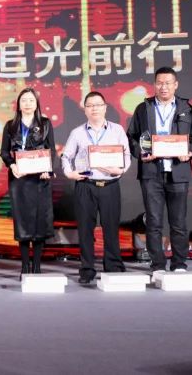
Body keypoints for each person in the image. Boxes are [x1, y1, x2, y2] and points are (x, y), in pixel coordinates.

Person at [127, 66, 192, 272]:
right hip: (151, 173)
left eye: (168, 83)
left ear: (176, 85)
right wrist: (141, 152)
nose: (163, 86)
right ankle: (157, 264)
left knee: (178, 222)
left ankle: (179, 264)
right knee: (153, 222)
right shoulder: (143, 108)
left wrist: (190, 152)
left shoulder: (187, 109)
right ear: (154, 85)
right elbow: (132, 137)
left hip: (178, 171)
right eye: (159, 83)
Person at [61, 92, 131, 284]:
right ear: (85, 109)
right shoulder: (77, 133)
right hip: (86, 185)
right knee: (85, 230)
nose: (94, 108)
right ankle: (87, 269)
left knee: (111, 228)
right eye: (90, 105)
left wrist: (121, 169)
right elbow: (66, 156)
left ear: (105, 107)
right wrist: (69, 173)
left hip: (110, 185)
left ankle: (113, 265)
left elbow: (126, 155)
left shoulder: (117, 130)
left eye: (98, 105)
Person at [0, 87, 55, 278]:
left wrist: (48, 169)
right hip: (19, 179)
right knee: (22, 222)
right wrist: (11, 165)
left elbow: (51, 150)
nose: (27, 104)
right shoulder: (10, 125)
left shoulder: (45, 123)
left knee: (39, 222)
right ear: (18, 104)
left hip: (40, 179)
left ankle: (37, 267)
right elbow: (4, 152)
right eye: (24, 100)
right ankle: (24, 266)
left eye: (31, 100)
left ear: (36, 103)